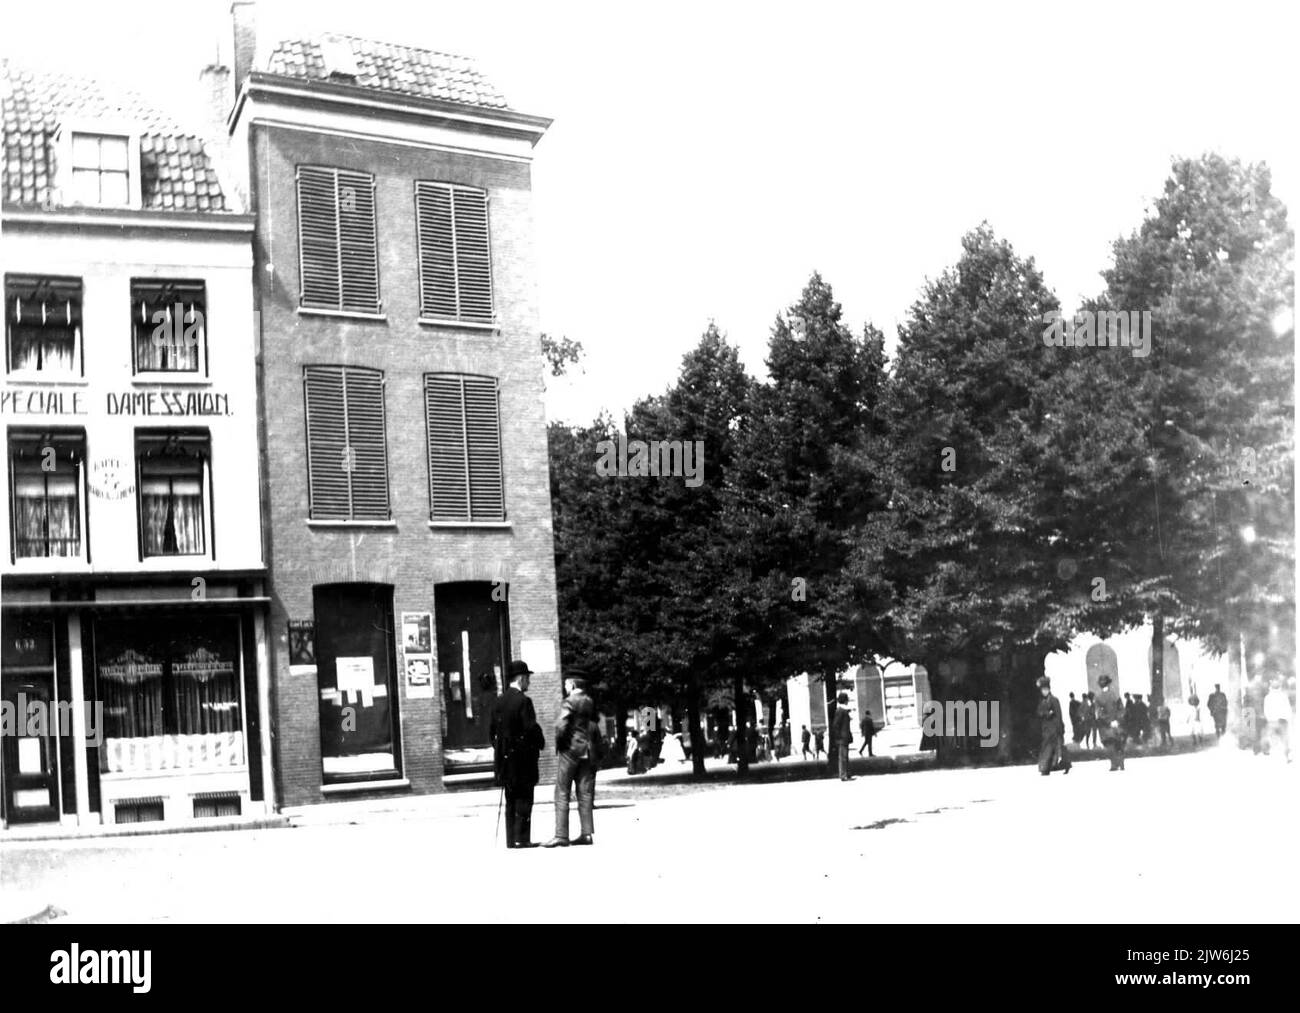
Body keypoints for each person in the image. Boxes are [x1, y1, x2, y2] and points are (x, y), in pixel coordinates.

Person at [544, 672, 605, 848]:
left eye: (565, 684)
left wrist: (560, 743)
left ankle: (561, 835)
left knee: (562, 790)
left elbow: (561, 725)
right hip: (586, 749)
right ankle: (586, 833)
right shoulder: (588, 701)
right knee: (584, 792)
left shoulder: (569, 701)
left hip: (570, 749)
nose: (564, 687)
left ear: (571, 685)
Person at [490, 660, 545, 849]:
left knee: (510, 799)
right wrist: (539, 743)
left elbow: (492, 734)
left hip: (505, 761)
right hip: (523, 760)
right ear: (521, 679)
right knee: (524, 799)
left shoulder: (498, 702)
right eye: (528, 679)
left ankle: (510, 840)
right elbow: (530, 729)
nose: (529, 683)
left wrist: (502, 750)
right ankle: (522, 838)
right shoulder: (524, 701)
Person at [1035, 676, 1071, 775]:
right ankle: (1046, 768)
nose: (1044, 692)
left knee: (1056, 748)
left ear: (1049, 690)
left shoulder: (1054, 700)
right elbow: (1039, 712)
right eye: (1043, 690)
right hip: (1046, 729)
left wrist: (1060, 727)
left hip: (1054, 728)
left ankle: (1047, 768)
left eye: (1046, 690)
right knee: (1048, 748)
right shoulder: (1042, 701)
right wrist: (1047, 713)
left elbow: (1058, 714)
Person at [1095, 673, 1126, 771]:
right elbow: (1121, 709)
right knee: (1118, 744)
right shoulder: (1115, 695)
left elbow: (1099, 713)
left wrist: (1109, 722)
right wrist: (1117, 720)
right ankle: (1120, 763)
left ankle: (1114, 764)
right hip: (1116, 724)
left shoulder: (1098, 697)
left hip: (1106, 726)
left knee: (1110, 745)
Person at [1263, 677, 1292, 762]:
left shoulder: (1267, 697)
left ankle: (1267, 751)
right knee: (1285, 739)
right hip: (1282, 720)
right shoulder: (1284, 696)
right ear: (1280, 687)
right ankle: (1288, 756)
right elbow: (1288, 708)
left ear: (1271, 687)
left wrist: (1269, 719)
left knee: (1267, 736)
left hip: (1272, 721)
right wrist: (1287, 718)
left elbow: (1266, 710)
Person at [830, 693, 853, 780]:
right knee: (843, 757)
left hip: (844, 737)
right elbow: (836, 725)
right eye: (847, 699)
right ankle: (843, 775)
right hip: (842, 738)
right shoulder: (840, 711)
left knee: (845, 756)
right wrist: (839, 736)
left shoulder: (842, 710)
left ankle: (846, 774)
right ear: (845, 700)